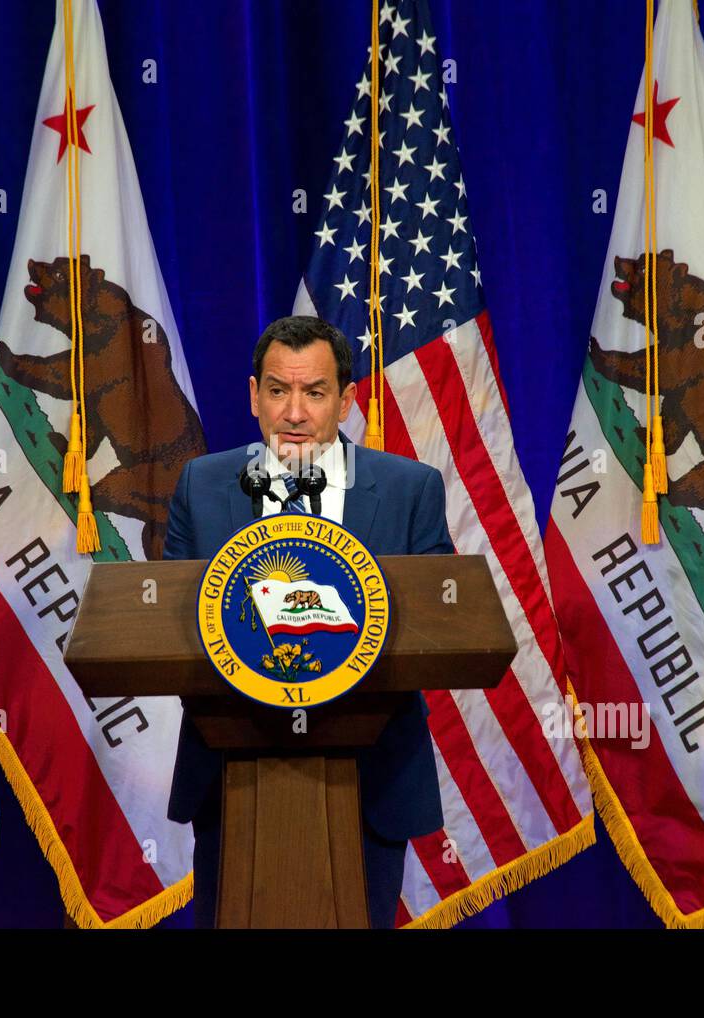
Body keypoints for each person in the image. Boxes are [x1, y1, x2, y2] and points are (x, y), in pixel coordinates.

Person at [162, 314, 455, 928]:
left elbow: (443, 632)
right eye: (277, 390)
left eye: (314, 393)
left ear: (346, 401)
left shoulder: (411, 491)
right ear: (253, 396)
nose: (294, 412)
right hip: (231, 778)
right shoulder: (202, 486)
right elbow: (170, 632)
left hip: (371, 779)